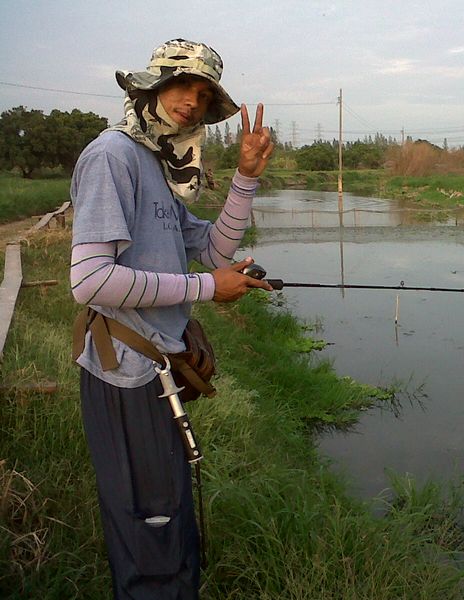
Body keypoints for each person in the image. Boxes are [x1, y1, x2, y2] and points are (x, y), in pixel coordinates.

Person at [70, 39, 273, 599]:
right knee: (148, 524)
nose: (192, 101)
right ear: (153, 85)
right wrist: (210, 288)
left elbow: (211, 247)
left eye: (205, 94)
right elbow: (88, 279)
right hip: (124, 376)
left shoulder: (158, 165)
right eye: (183, 84)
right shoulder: (112, 157)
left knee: (168, 515)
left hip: (156, 369)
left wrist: (245, 178)